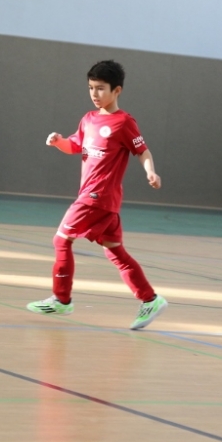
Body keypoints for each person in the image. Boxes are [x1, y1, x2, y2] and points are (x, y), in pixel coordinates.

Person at [27, 60, 167, 330]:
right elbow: (75, 146)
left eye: (101, 88)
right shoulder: (88, 119)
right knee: (115, 251)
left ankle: (61, 299)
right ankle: (150, 299)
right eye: (91, 88)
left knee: (61, 240)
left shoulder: (124, 122)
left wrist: (151, 171)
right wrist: (58, 142)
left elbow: (142, 151)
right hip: (104, 202)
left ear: (117, 91)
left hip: (97, 197)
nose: (94, 93)